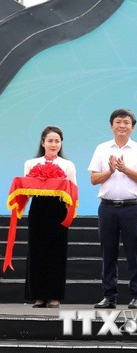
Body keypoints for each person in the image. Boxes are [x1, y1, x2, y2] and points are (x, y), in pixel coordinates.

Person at [89, 109, 137, 310]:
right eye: (118, 122)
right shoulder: (101, 149)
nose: (122, 125)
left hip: (130, 209)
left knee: (134, 253)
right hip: (107, 208)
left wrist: (125, 170)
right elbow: (93, 179)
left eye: (126, 122)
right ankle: (109, 297)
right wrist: (110, 170)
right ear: (111, 125)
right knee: (108, 253)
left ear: (132, 127)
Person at [24, 126, 77, 308]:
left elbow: (73, 190)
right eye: (50, 140)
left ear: (61, 143)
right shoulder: (31, 163)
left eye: (57, 141)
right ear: (43, 142)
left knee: (57, 252)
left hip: (58, 209)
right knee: (37, 251)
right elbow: (27, 189)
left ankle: (54, 296)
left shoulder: (67, 165)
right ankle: (38, 296)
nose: (53, 144)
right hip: (38, 208)